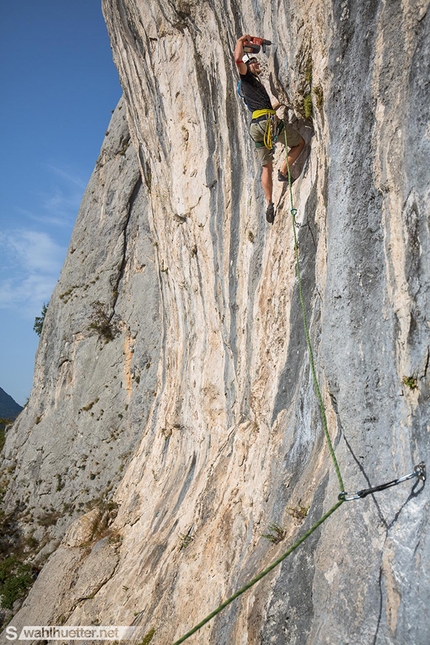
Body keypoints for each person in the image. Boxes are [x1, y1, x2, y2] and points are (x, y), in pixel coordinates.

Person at [234, 34, 305, 223]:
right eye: (254, 62)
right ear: (247, 66)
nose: (258, 64)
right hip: (267, 124)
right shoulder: (246, 78)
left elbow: (263, 108)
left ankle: (269, 203)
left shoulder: (250, 87)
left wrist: (280, 103)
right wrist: (241, 42)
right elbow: (237, 60)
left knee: (266, 167)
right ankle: (283, 172)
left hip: (257, 126)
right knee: (299, 143)